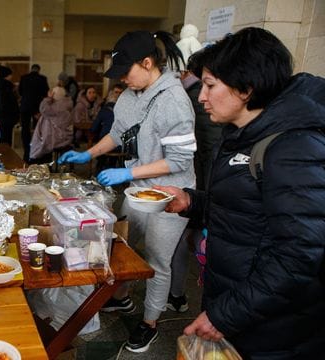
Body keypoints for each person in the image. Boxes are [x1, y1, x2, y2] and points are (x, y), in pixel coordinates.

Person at [158, 27, 325, 359]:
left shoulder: (292, 147)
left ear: (246, 88)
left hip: (275, 330)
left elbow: (300, 255)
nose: (201, 97)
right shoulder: (242, 133)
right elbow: (247, 211)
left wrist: (226, 314)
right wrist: (192, 201)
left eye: (209, 86)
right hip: (242, 304)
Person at [58, 30, 194, 353]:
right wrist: (88, 154)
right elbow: (118, 134)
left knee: (157, 260)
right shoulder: (131, 95)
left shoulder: (175, 100)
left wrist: (129, 171)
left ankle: (149, 324)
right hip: (139, 190)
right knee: (121, 247)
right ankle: (120, 300)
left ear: (147, 63)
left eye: (125, 73)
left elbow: (178, 160)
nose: (122, 81)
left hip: (171, 194)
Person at [167, 57, 223, 313]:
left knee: (187, 240)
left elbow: (208, 150)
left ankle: (178, 294)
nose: (204, 96)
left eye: (210, 85)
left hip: (199, 180)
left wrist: (200, 196)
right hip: (198, 186)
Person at [28, 86, 73, 163]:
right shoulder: (67, 104)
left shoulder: (57, 106)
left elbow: (43, 108)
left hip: (57, 138)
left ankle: (38, 162)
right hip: (64, 137)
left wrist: (48, 98)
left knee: (40, 142)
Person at [18, 64, 49, 162]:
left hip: (25, 107)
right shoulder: (42, 78)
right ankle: (36, 146)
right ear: (39, 70)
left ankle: (26, 147)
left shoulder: (24, 78)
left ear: (31, 69)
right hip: (38, 108)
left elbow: (20, 92)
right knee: (37, 129)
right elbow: (45, 93)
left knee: (25, 128)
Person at [91, 83, 124, 172]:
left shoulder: (105, 109)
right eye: (116, 92)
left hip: (108, 144)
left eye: (120, 93)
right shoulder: (127, 110)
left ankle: (99, 171)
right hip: (122, 146)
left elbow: (93, 128)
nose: (118, 95)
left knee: (102, 145)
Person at [0, 65, 19, 145]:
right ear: (7, 75)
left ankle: (5, 154)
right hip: (5, 117)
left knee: (5, 137)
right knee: (5, 139)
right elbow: (4, 103)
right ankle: (4, 155)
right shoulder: (4, 87)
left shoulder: (1, 85)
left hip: (3, 117)